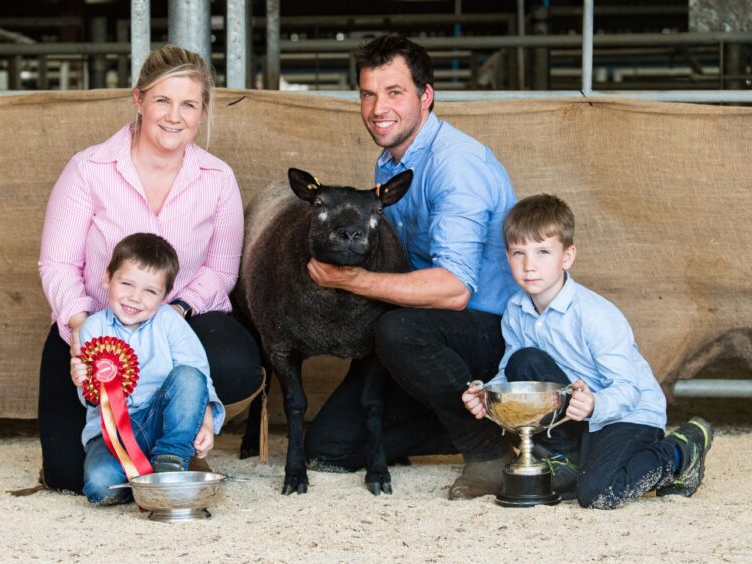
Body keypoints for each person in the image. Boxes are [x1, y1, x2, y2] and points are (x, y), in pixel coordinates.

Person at [304, 34, 520, 499]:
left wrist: (356, 280)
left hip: (492, 333)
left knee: (397, 331)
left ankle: (488, 453)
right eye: (368, 94)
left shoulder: (455, 165)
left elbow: (456, 289)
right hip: (431, 334)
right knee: (329, 448)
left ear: (426, 96)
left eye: (394, 92)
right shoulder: (391, 161)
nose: (378, 107)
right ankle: (516, 430)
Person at [38, 45, 261, 493]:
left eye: (188, 104)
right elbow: (58, 262)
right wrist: (83, 329)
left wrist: (173, 313)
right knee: (66, 476)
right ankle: (131, 446)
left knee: (235, 365)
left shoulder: (218, 178)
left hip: (180, 318)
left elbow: (220, 272)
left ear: (202, 112)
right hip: (96, 326)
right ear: (138, 100)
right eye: (162, 100)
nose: (173, 116)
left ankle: (174, 443)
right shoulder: (88, 169)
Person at [462, 194, 713, 508]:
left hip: (627, 413)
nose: (529, 266)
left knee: (597, 493)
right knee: (522, 359)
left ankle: (680, 450)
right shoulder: (516, 310)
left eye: (542, 252)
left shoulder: (595, 315)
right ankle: (564, 457)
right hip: (576, 412)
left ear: (567, 257)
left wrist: (595, 405)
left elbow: (628, 390)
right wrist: (488, 394)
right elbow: (515, 373)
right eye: (518, 253)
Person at [72, 233, 223, 504]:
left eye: (150, 291)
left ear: (165, 296)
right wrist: (81, 380)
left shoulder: (171, 323)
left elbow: (198, 377)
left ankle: (170, 459)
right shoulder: (92, 328)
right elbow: (92, 398)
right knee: (99, 485)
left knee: (189, 375)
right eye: (127, 283)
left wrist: (207, 422)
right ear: (107, 279)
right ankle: (155, 479)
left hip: (161, 424)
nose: (135, 298)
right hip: (112, 435)